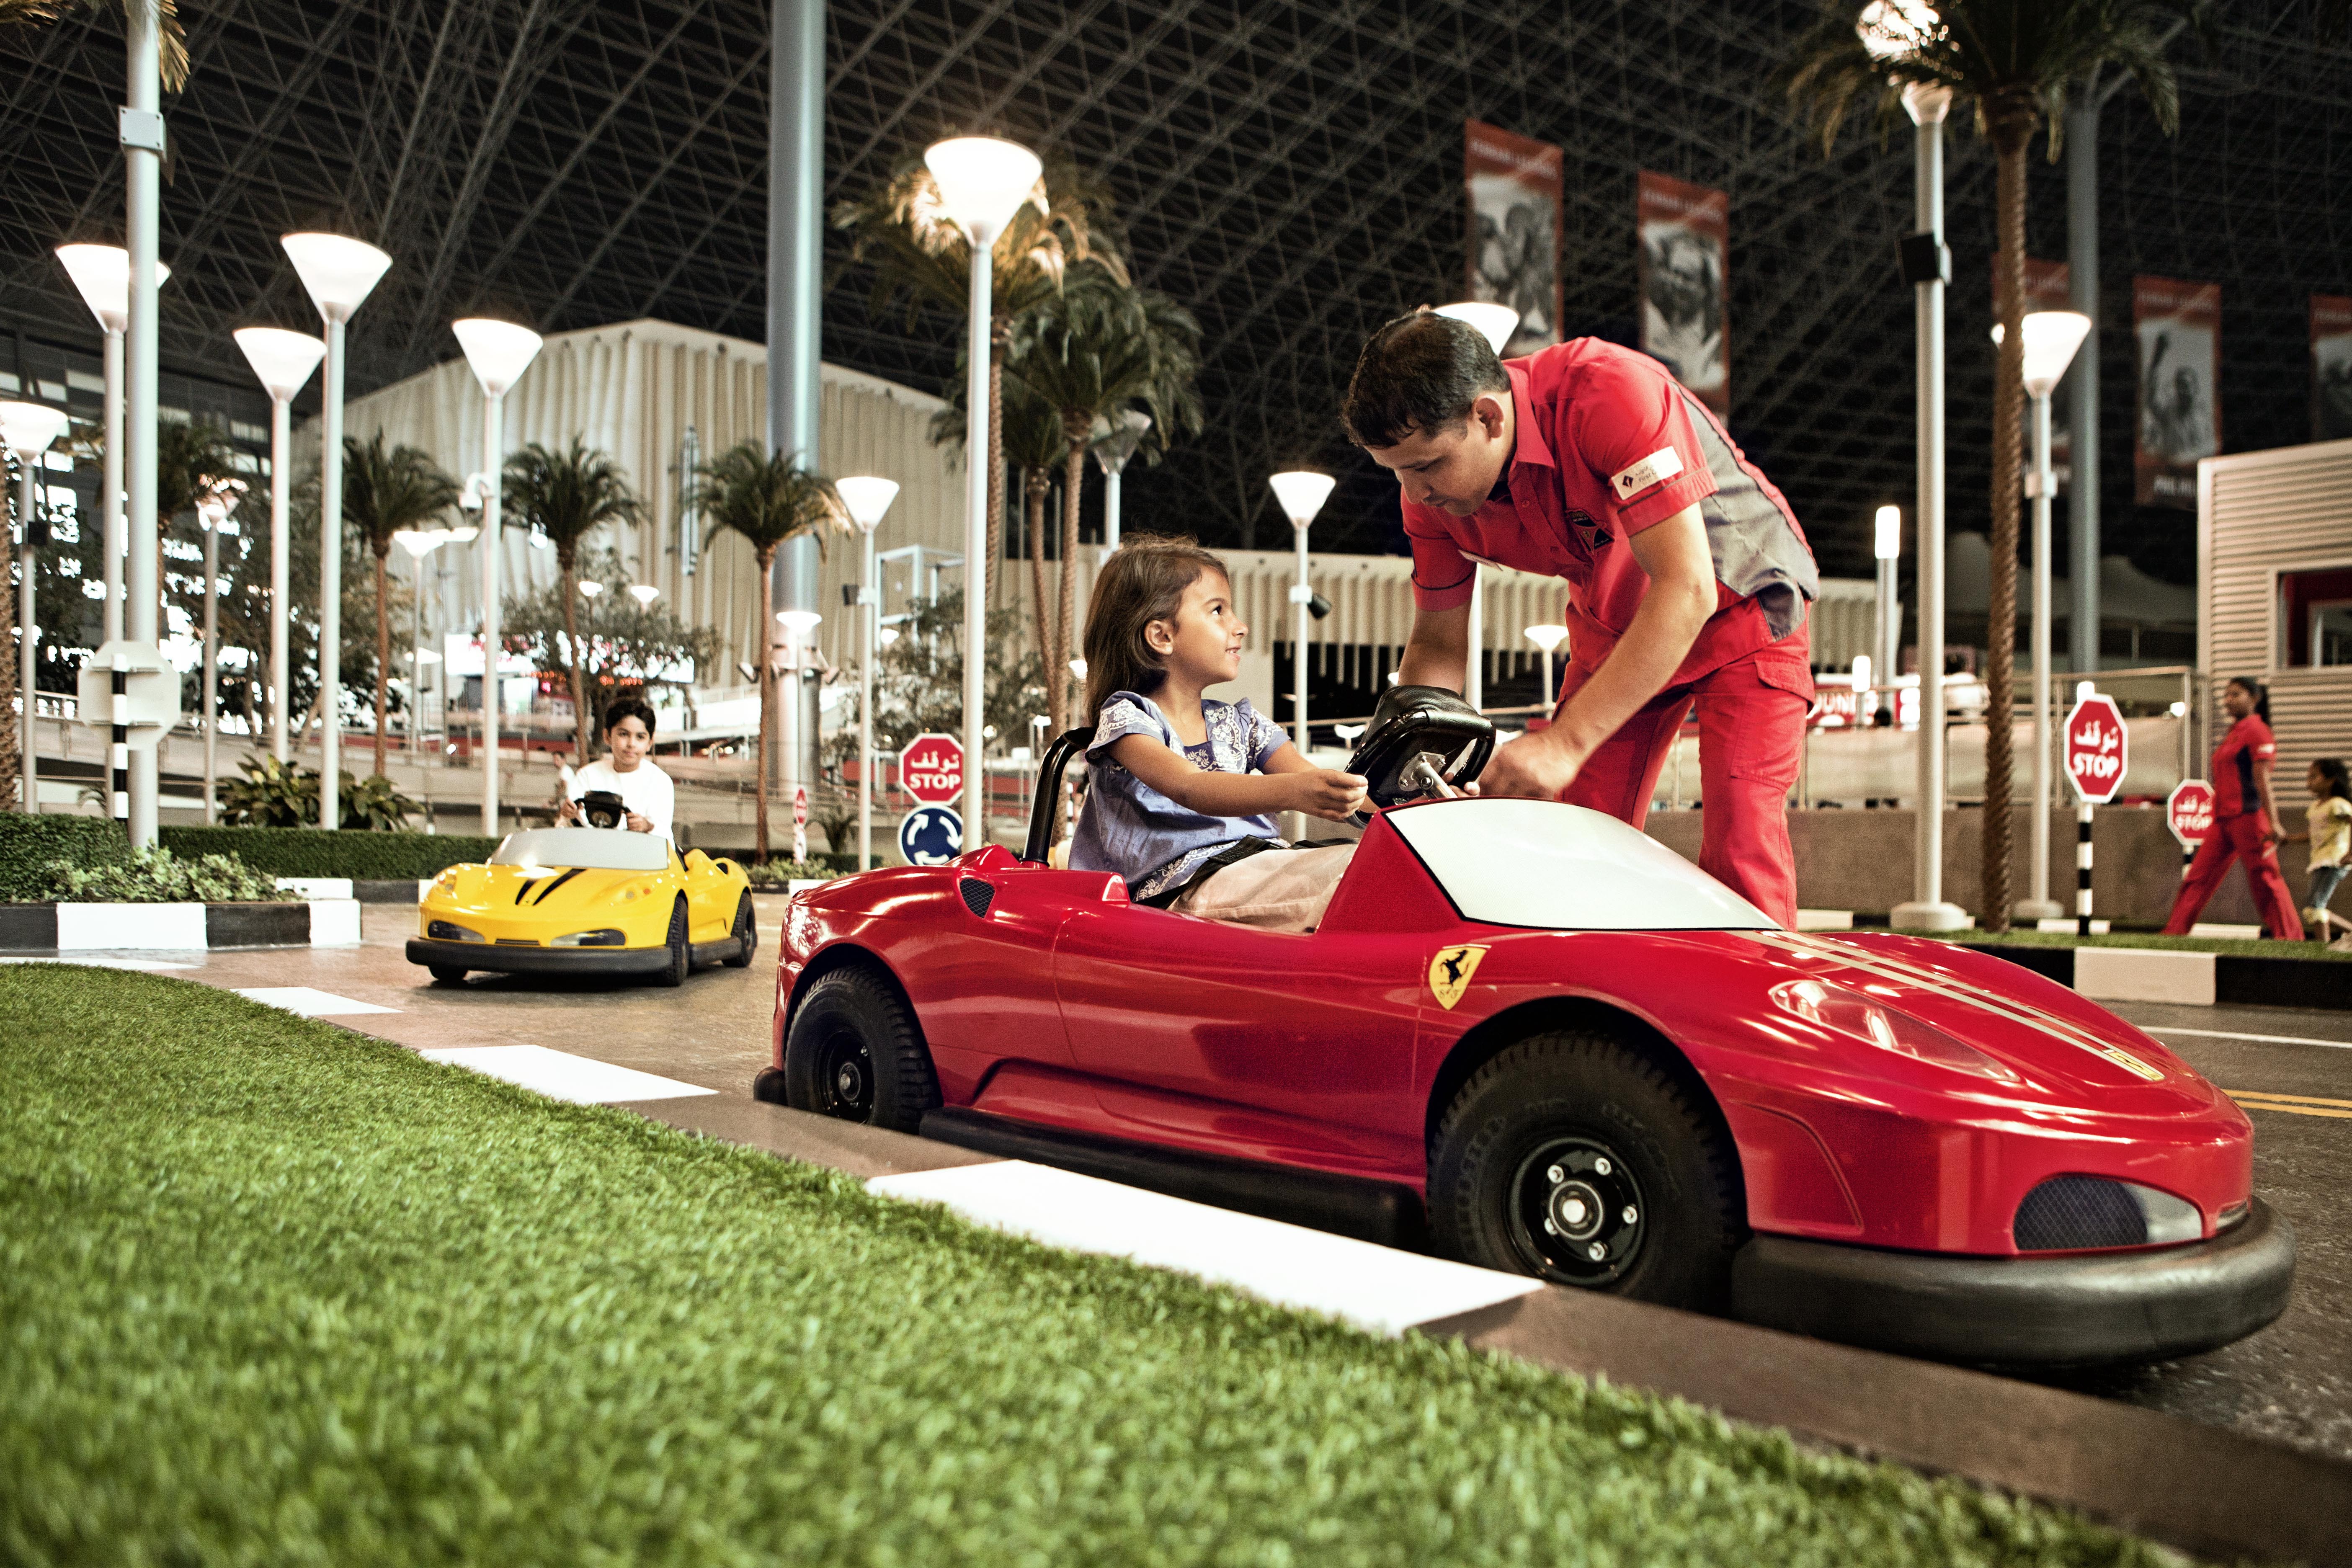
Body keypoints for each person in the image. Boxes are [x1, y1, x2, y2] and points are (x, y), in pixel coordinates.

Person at [1342, 308, 1818, 925]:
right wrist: (1409, 765)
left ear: (1488, 416)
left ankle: (1754, 1012)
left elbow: (1687, 588)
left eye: (1427, 465)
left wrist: (1565, 743)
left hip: (1743, 608)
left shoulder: (1608, 391)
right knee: (1577, 840)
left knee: (1740, 835)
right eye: (1398, 473)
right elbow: (1437, 640)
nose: (1415, 492)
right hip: (1615, 629)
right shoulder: (1428, 501)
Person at [1068, 536, 1367, 931]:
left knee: (1385, 867)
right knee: (1353, 879)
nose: (1240, 626)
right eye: (1218, 611)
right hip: (1177, 891)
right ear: (1162, 636)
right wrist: (1297, 791)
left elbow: (1328, 785)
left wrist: (1417, 805)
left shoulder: (1243, 723)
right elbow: (1191, 787)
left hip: (1255, 869)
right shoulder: (1129, 720)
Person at [2163, 678, 2302, 939]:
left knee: (2265, 879)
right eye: (2226, 695)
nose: (2228, 700)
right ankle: (2174, 933)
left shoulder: (2258, 731)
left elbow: (2263, 781)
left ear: (2254, 698)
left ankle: (2291, 938)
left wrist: (2274, 822)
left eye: (2235, 695)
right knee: (2197, 878)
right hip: (2222, 821)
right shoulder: (2233, 732)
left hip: (2249, 818)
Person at [556, 697, 675, 842]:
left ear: (650, 743)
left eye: (640, 737)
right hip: (592, 855)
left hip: (639, 859)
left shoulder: (660, 782)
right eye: (624, 734)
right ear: (607, 737)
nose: (631, 744)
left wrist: (647, 826)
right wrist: (568, 815)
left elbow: (664, 838)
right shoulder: (587, 775)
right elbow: (566, 830)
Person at [2283, 757, 2352, 936]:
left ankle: (2323, 950)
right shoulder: (2315, 807)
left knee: (2315, 907)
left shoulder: (2338, 804)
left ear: (2331, 781)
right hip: (2321, 861)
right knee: (2313, 909)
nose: (2309, 782)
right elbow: (2311, 835)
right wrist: (2288, 839)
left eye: (2314, 777)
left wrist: (2350, 853)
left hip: (2335, 860)